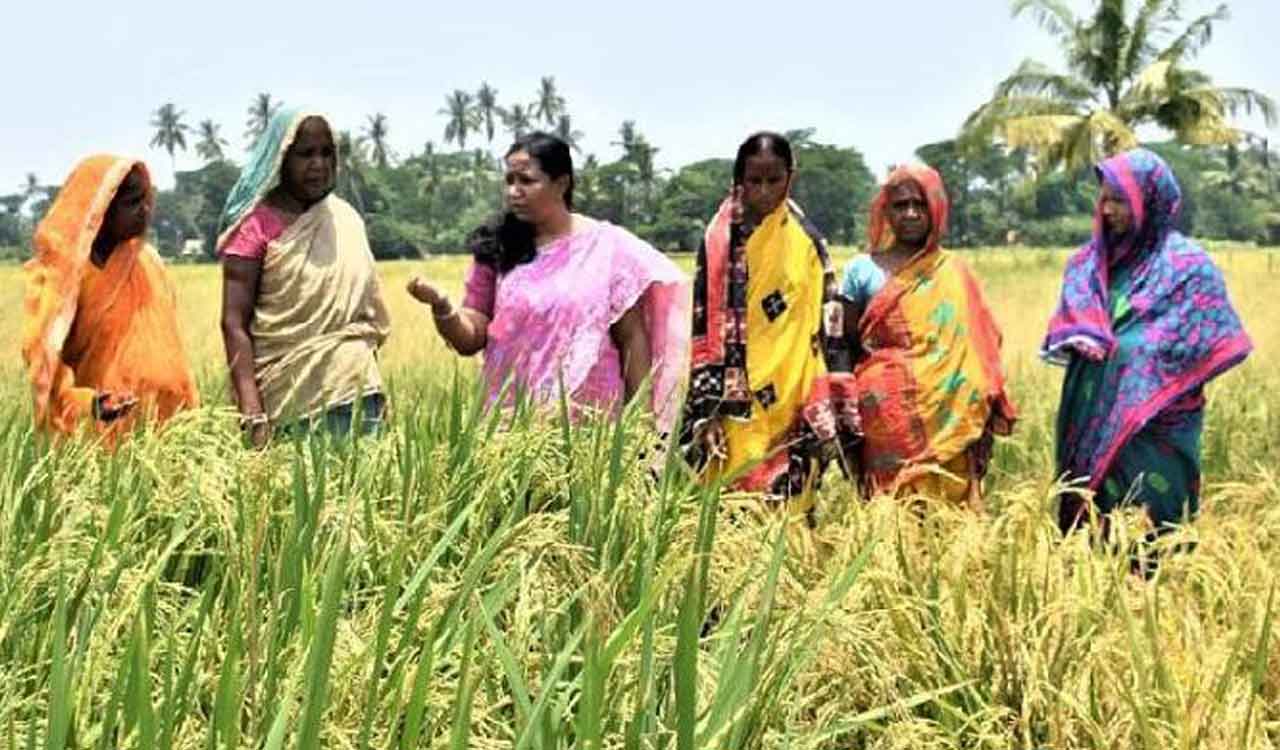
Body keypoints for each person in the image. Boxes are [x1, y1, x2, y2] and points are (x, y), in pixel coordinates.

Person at [406, 132, 689, 429]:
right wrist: (442, 308)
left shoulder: (607, 247)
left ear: (561, 184)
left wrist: (642, 423)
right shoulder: (496, 248)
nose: (514, 191)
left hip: (593, 426)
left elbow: (631, 336)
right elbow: (471, 338)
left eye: (526, 181)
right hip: (511, 426)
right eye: (509, 181)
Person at [1044, 148, 1252, 546]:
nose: (1107, 210)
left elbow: (1206, 338)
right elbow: (1070, 323)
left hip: (1158, 427)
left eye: (1119, 200)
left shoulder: (1188, 268)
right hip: (1090, 418)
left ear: (1150, 200)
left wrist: (1137, 364)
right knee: (1092, 538)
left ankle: (1162, 597)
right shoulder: (1088, 264)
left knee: (1155, 539)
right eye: (1104, 198)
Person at [681, 132, 860, 508]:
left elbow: (828, 318)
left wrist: (833, 394)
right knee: (731, 506)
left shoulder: (806, 240)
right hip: (735, 404)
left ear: (790, 177)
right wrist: (708, 410)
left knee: (789, 512)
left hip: (793, 398)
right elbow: (703, 324)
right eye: (753, 181)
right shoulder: (720, 241)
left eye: (773, 180)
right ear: (738, 180)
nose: (763, 191)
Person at [842, 163, 1015, 506]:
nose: (910, 213)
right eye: (900, 205)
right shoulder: (861, 270)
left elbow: (982, 345)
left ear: (936, 208)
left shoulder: (955, 272)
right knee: (889, 521)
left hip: (950, 417)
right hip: (885, 418)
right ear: (885, 210)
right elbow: (845, 345)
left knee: (949, 522)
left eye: (919, 205)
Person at [218, 109, 391, 446]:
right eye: (306, 154)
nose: (318, 164)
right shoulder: (255, 227)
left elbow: (365, 317)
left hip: (356, 388)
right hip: (287, 397)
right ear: (281, 157)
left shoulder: (346, 220)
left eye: (327, 153)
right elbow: (233, 323)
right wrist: (252, 412)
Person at [22, 155, 198, 439]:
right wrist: (87, 402)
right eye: (132, 203)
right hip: (101, 428)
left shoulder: (149, 261)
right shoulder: (62, 277)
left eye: (147, 200)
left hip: (168, 426)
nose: (145, 210)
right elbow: (43, 358)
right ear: (100, 209)